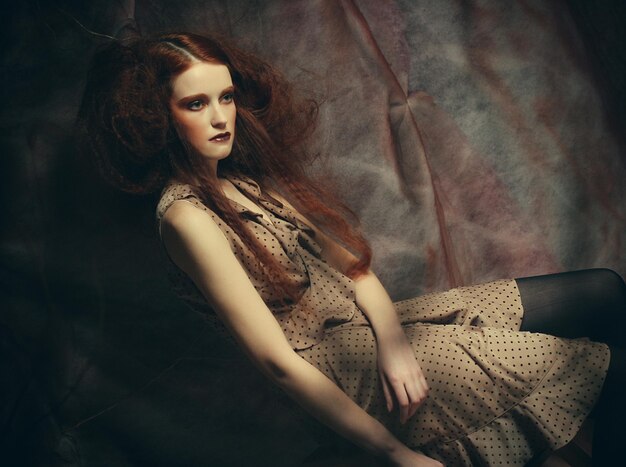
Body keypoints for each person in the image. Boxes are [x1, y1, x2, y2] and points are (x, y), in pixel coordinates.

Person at [75, 31, 626, 466]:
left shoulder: (240, 183)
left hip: (374, 332)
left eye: (226, 97)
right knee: (615, 370)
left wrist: (393, 342)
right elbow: (277, 361)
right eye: (195, 104)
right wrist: (395, 454)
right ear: (160, 117)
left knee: (603, 290)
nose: (221, 117)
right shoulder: (186, 216)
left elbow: (356, 271)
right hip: (337, 369)